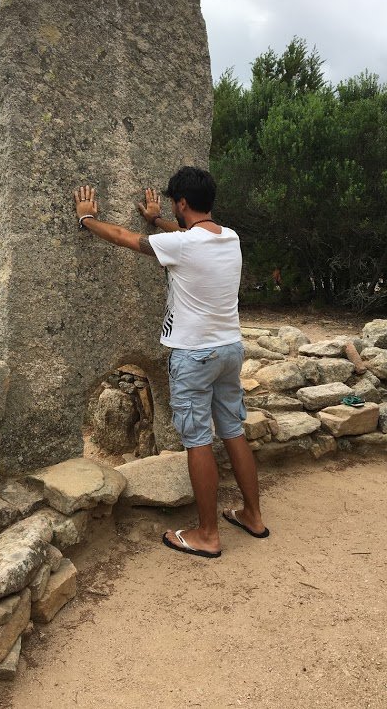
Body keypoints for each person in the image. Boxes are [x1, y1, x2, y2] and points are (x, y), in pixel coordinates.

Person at [73, 166, 268, 559]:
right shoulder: (229, 237)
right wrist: (157, 220)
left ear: (181, 203)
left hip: (195, 355)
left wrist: (87, 219)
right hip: (230, 348)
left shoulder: (183, 244)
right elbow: (184, 235)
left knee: (197, 441)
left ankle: (207, 535)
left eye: (173, 206)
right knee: (233, 430)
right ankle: (253, 516)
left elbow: (125, 237)